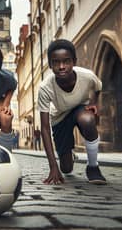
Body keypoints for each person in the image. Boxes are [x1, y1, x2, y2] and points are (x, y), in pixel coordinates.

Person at [38, 39, 106, 185]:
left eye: (66, 61)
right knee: (66, 169)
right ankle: (69, 156)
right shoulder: (45, 87)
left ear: (74, 61)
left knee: (87, 119)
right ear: (50, 65)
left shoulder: (87, 76)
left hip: (80, 109)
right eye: (56, 62)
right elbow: (44, 127)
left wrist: (94, 102)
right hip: (59, 118)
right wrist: (53, 166)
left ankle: (93, 167)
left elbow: (98, 87)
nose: (62, 67)